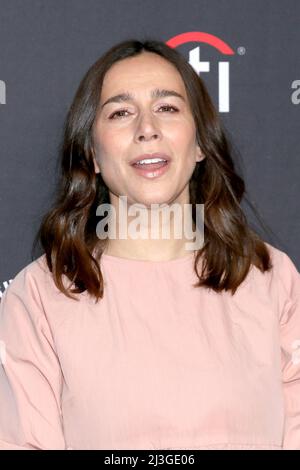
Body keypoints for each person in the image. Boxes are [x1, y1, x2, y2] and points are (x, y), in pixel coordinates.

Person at [0, 38, 299, 450]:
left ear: (198, 144)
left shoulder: (272, 277)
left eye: (167, 108)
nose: (147, 129)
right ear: (92, 153)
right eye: (121, 112)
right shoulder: (38, 297)